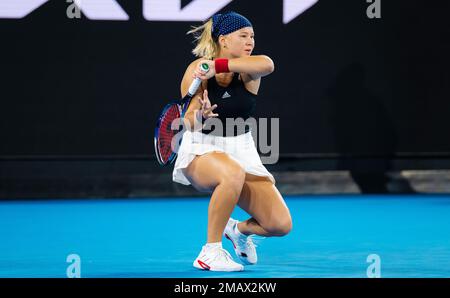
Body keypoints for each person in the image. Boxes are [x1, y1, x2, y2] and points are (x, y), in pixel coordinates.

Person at [172, 11, 292, 272]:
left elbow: (268, 64)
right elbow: (189, 120)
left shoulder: (249, 71)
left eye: (252, 36)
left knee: (279, 225)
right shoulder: (197, 69)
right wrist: (201, 116)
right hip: (201, 149)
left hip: (241, 148)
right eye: (243, 36)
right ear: (224, 40)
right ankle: (210, 252)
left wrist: (220, 66)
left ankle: (237, 230)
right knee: (232, 172)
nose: (250, 41)